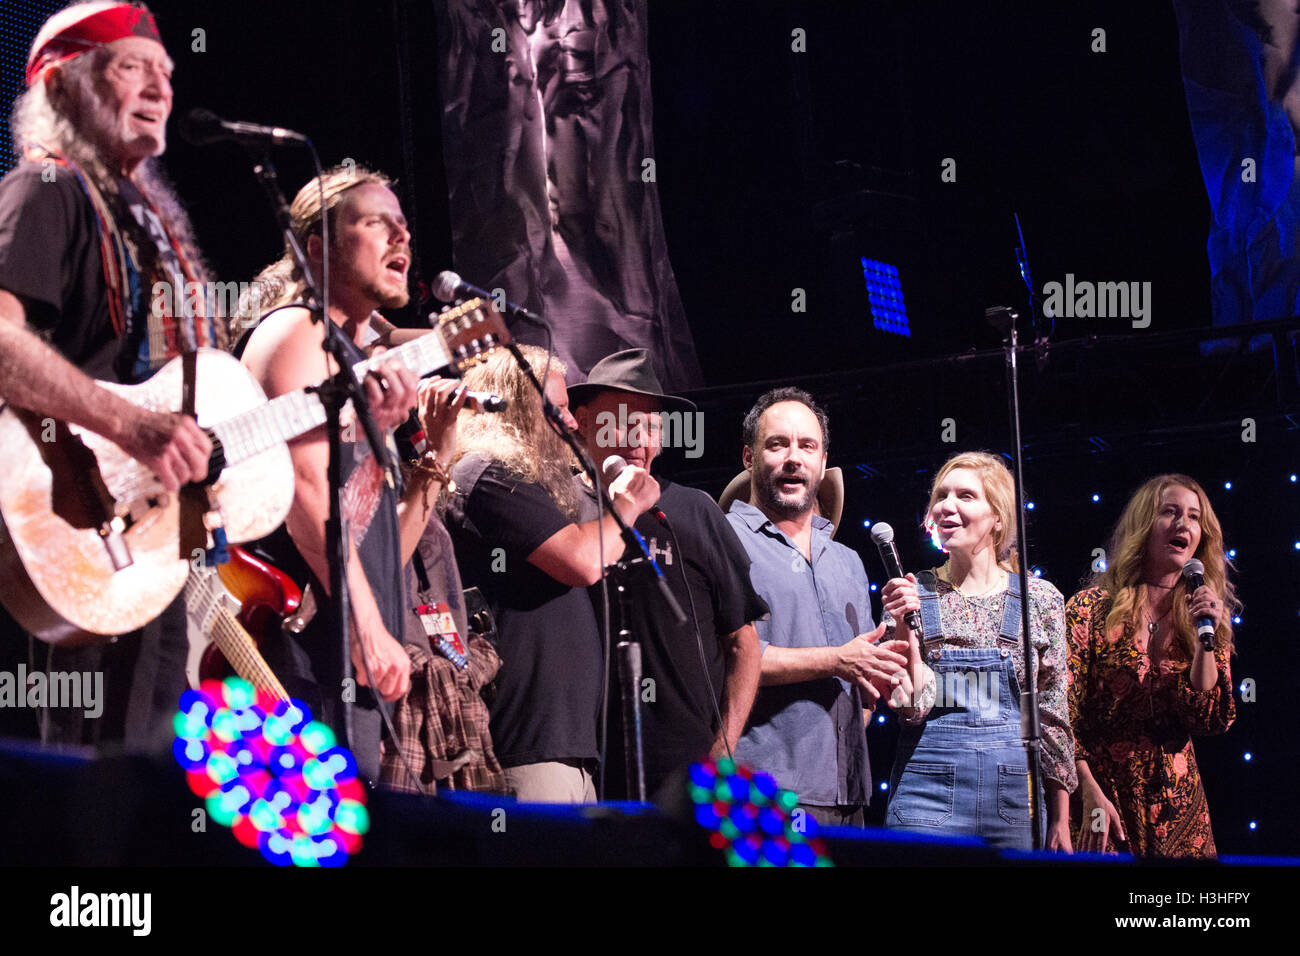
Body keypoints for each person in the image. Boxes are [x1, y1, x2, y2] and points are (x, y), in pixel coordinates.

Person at [0, 2, 216, 751]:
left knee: (142, 788)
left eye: (166, 72)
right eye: (133, 67)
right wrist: (130, 426)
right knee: (80, 800)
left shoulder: (140, 221)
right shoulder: (46, 191)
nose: (160, 87)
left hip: (147, 541)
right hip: (67, 523)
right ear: (64, 88)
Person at [239, 164, 465, 782]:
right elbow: (306, 496)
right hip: (297, 645)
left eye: (404, 227)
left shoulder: (356, 356)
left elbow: (359, 518)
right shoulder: (297, 332)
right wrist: (367, 628)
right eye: (377, 224)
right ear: (317, 247)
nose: (402, 239)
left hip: (343, 646)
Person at [445, 345, 659, 801]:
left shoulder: (541, 485)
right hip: (525, 743)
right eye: (557, 407)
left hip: (571, 746)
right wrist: (627, 504)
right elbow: (582, 561)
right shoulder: (487, 473)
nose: (573, 422)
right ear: (516, 407)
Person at [568, 348, 765, 800]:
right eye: (621, 419)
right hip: (586, 764)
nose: (638, 440)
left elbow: (744, 642)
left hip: (686, 769)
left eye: (652, 426)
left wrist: (724, 746)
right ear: (580, 420)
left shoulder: (693, 510)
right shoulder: (564, 511)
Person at [724, 387, 910, 828]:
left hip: (847, 791)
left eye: (807, 445)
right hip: (761, 789)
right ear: (749, 458)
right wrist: (838, 660)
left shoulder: (846, 559)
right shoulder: (725, 539)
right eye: (777, 444)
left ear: (823, 461)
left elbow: (864, 681)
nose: (794, 457)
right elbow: (726, 657)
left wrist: (889, 661)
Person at [879, 451, 1075, 851]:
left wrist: (1061, 819)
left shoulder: (1039, 600)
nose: (947, 506)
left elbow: (1052, 717)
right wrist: (904, 628)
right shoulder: (912, 593)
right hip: (926, 798)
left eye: (965, 496)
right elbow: (912, 708)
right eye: (942, 496)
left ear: (997, 517)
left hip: (1013, 802)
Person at [1065, 474, 1237, 858]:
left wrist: (1203, 641)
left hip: (1180, 812)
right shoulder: (1090, 610)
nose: (1183, 525)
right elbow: (1061, 713)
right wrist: (1087, 789)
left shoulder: (1204, 615)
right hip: (1102, 801)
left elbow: (1211, 718)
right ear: (1144, 526)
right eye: (1170, 513)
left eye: (1194, 517)